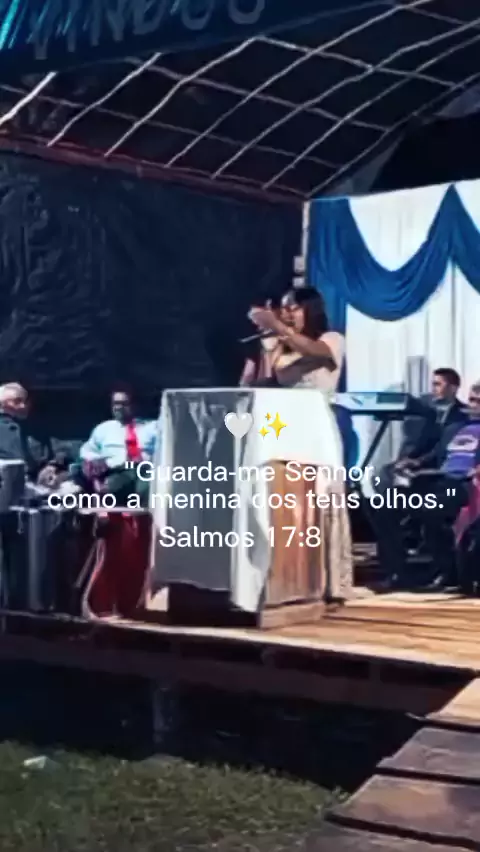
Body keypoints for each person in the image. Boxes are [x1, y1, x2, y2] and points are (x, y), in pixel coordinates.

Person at [372, 381, 480, 592]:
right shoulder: (456, 427)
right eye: (472, 400)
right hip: (438, 478)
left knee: (432, 509)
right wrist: (415, 462)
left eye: (478, 401)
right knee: (384, 506)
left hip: (464, 484)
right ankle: (398, 572)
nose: (473, 405)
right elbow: (435, 453)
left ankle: (447, 572)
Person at [241, 287, 345, 391]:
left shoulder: (333, 338)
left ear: (310, 310)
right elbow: (270, 385)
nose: (285, 316)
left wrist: (275, 324)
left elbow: (313, 350)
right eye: (283, 310)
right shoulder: (282, 348)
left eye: (291, 309)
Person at [79, 387, 157, 504]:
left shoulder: (151, 427)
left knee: (148, 483)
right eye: (116, 403)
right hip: (116, 471)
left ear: (134, 406)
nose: (119, 407)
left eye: (124, 403)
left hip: (143, 470)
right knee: (112, 486)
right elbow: (87, 451)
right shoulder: (103, 428)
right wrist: (97, 465)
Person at [0, 383, 51, 481]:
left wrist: (51, 467)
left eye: (25, 401)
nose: (23, 406)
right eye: (17, 401)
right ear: (1, 404)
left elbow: (49, 456)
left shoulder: (35, 430)